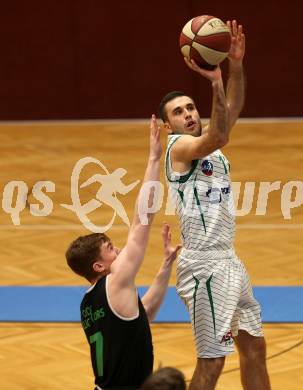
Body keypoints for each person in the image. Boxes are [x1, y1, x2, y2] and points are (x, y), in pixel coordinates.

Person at [159, 21, 271, 390]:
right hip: (204, 267)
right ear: (167, 125)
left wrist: (235, 65)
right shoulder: (178, 149)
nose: (189, 114)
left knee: (254, 347)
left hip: (229, 260)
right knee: (212, 362)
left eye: (191, 108)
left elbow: (232, 110)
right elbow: (220, 132)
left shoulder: (210, 141)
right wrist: (214, 81)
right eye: (179, 112)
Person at [66, 115, 181, 390]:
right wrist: (155, 159)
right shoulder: (115, 280)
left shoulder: (89, 303)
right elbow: (142, 221)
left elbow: (145, 314)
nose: (118, 250)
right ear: (98, 266)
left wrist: (166, 266)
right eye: (110, 249)